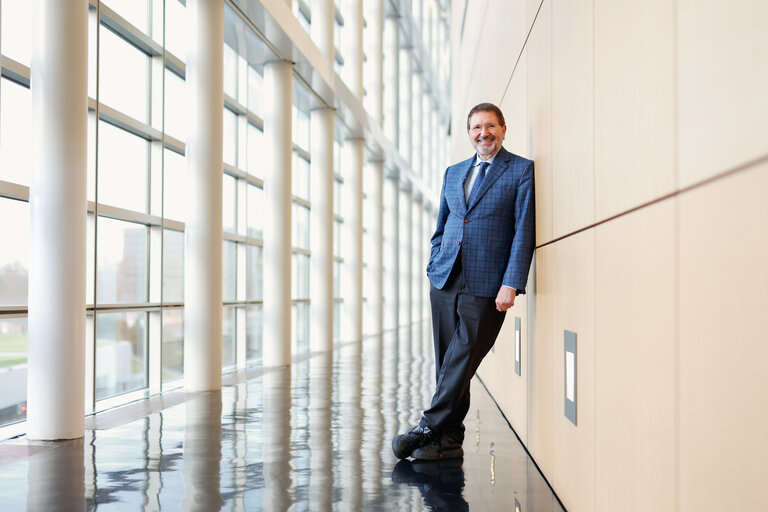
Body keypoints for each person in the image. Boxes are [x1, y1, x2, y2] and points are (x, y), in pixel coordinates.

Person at [392, 102, 535, 460]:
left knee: (464, 355)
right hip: (445, 276)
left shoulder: (520, 170)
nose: (483, 133)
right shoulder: (453, 173)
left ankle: (428, 426)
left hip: (488, 282)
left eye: (490, 126)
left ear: (503, 129)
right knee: (448, 359)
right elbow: (441, 226)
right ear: (468, 132)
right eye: (476, 128)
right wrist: (433, 261)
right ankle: (449, 439)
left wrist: (512, 282)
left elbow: (523, 231)